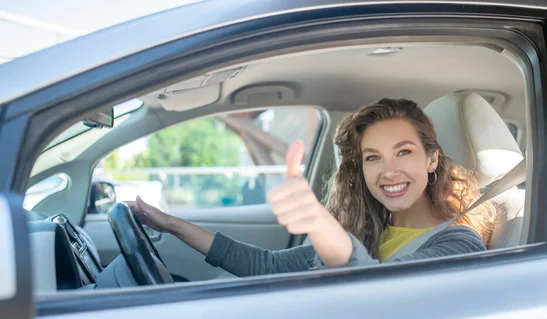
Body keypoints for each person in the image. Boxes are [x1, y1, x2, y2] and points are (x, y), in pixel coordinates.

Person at [128, 98, 496, 276]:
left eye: (404, 152)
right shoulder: (371, 229)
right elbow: (266, 266)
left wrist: (320, 224)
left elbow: (373, 288)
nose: (389, 171)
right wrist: (172, 225)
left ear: (432, 159)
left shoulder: (459, 245)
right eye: (373, 157)